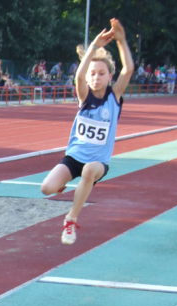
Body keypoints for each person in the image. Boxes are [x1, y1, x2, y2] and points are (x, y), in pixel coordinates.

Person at [39, 17, 134, 244]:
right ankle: (64, 184)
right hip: (74, 158)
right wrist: (94, 46)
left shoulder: (114, 96)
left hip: (97, 163)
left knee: (89, 170)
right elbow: (79, 76)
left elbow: (128, 68)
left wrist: (120, 40)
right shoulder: (84, 97)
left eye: (101, 73)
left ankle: (71, 219)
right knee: (46, 188)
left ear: (109, 76)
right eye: (93, 73)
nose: (96, 77)